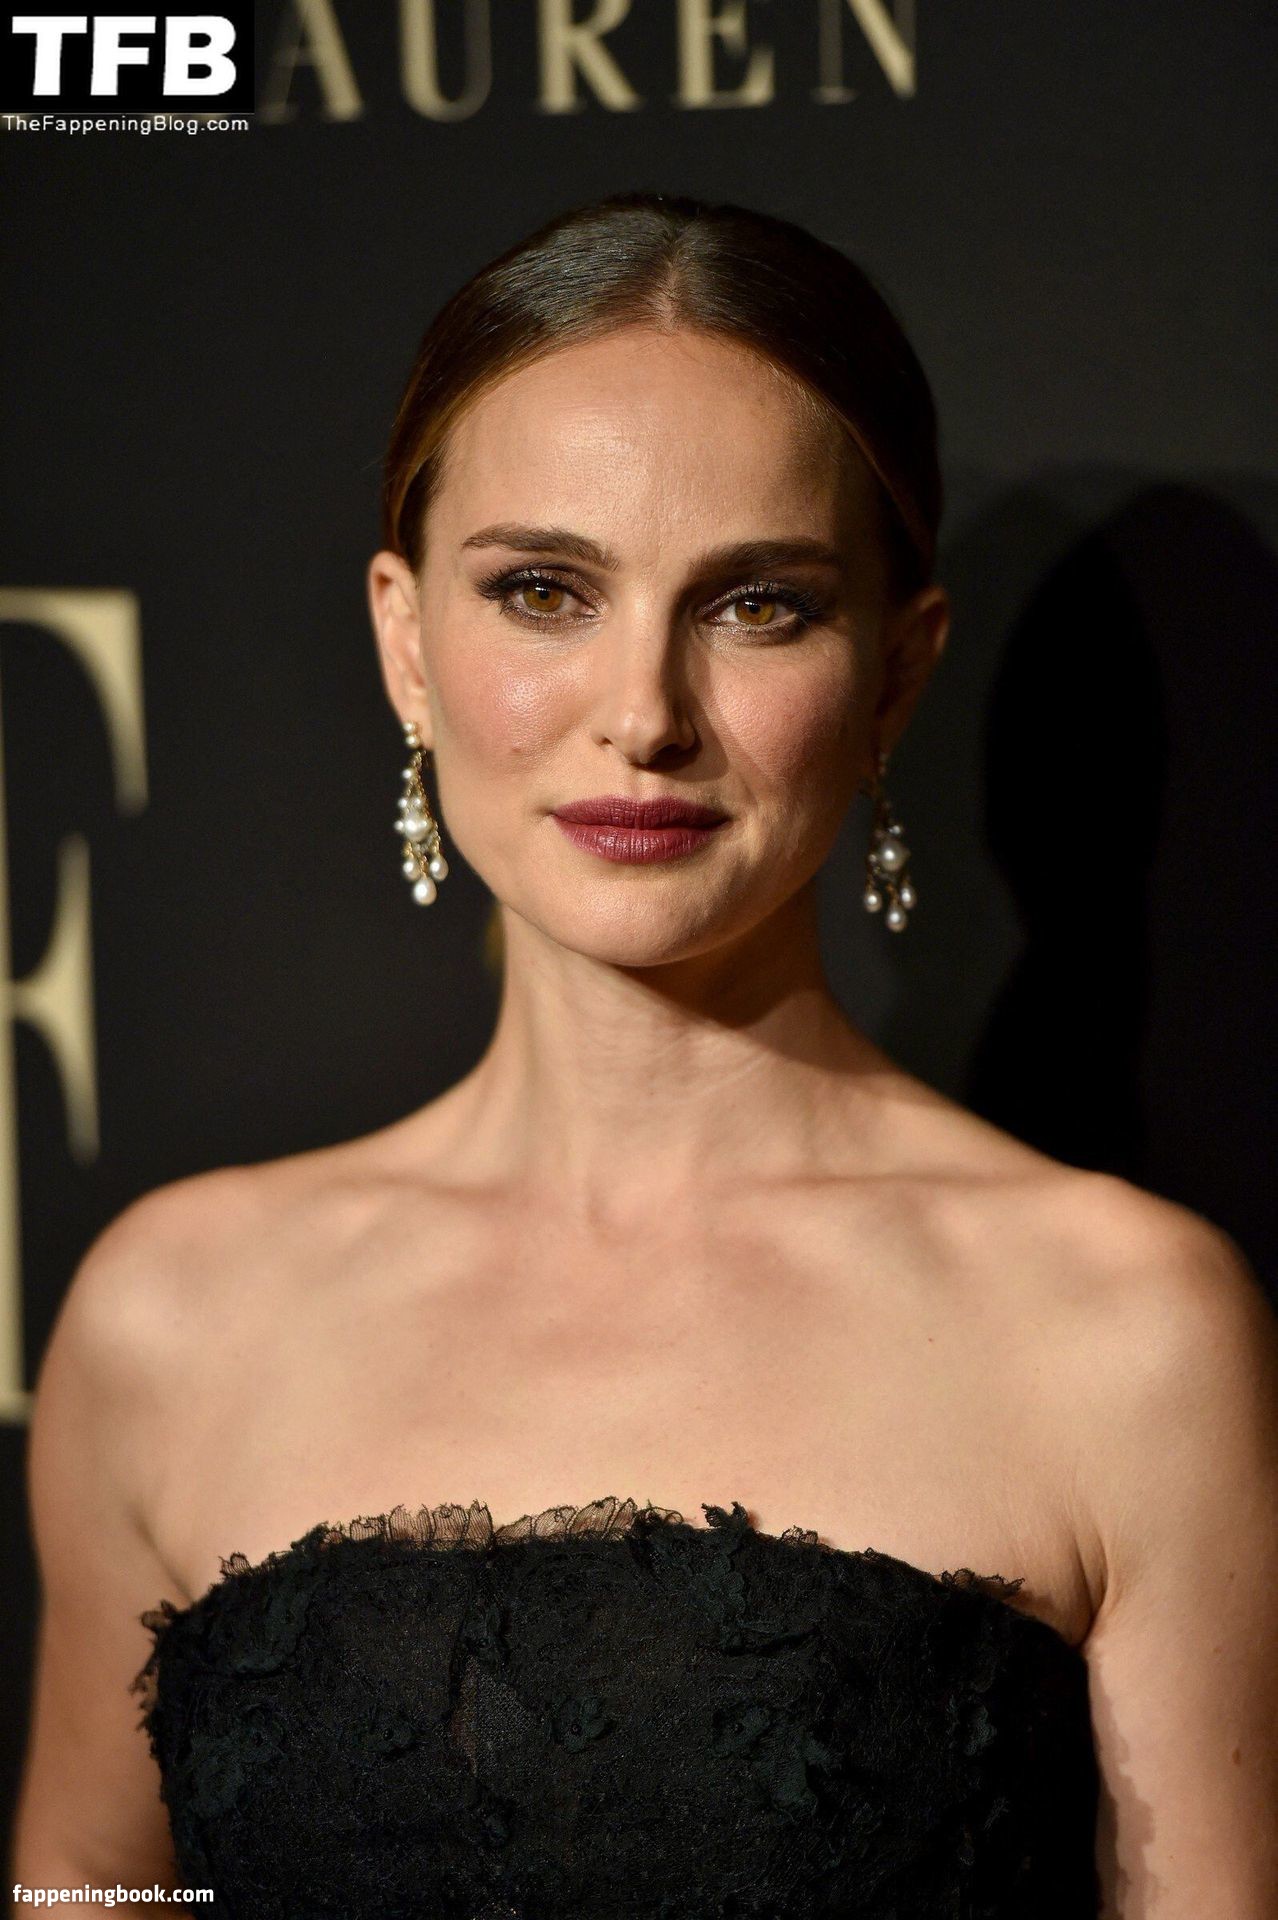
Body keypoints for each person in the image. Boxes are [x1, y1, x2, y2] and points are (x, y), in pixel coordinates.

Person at [10, 190, 1277, 1917]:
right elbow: (87, 1886)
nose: (643, 714)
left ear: (895, 673)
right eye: (541, 590)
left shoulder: (1120, 1333)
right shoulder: (173, 1316)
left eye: (755, 605)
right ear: (405, 642)